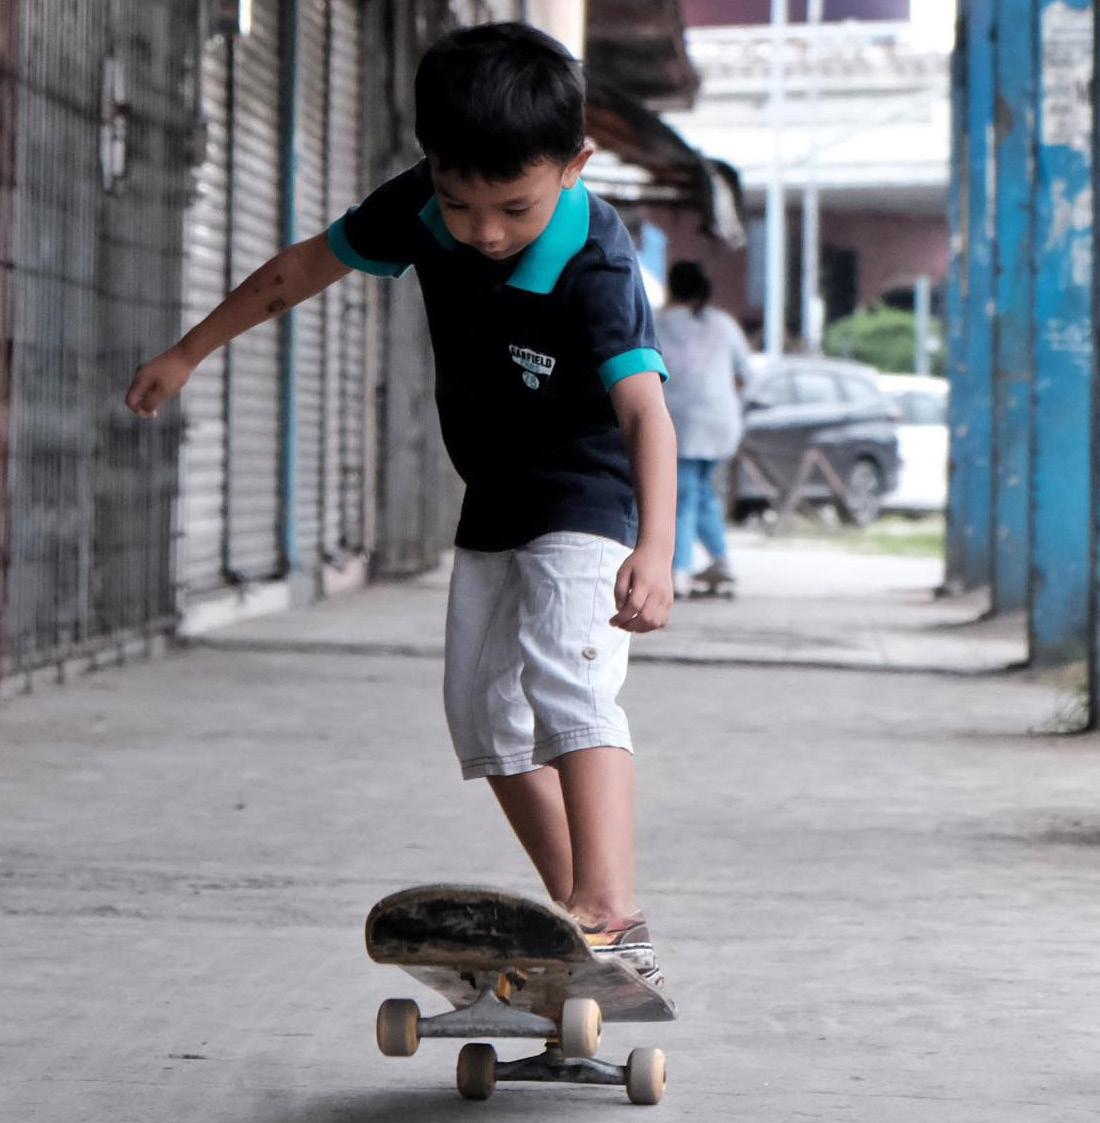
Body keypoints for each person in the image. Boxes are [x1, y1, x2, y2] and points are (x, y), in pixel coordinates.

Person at [125, 23, 676, 986]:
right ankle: (580, 933)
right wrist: (188, 350)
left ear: (575, 166)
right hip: (495, 499)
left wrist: (658, 549)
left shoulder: (596, 263)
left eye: (514, 208)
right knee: (482, 717)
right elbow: (302, 268)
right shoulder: (421, 205)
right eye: (462, 204)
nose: (485, 232)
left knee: (570, 682)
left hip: (589, 498)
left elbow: (646, 411)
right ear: (432, 169)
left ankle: (609, 911)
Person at [656, 261, 751, 599]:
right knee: (701, 491)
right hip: (722, 421)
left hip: (679, 421)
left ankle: (679, 570)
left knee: (682, 496)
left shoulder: (658, 322)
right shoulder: (723, 324)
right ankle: (720, 559)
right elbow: (744, 375)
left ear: (671, 286)